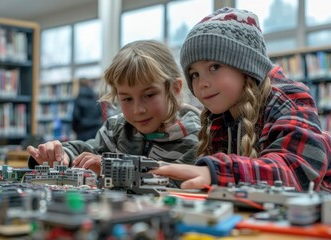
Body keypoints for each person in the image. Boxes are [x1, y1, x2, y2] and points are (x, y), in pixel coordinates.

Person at [151, 7, 331, 194]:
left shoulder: (289, 99)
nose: (202, 84)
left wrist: (218, 172)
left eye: (214, 66)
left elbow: (295, 172)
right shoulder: (219, 116)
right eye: (194, 74)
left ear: (246, 66)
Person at [26, 40, 201, 176]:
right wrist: (60, 156)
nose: (138, 110)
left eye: (149, 95)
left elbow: (179, 182)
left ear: (175, 88)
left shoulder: (197, 137)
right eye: (126, 98)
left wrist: (111, 168)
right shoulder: (115, 129)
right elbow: (86, 150)